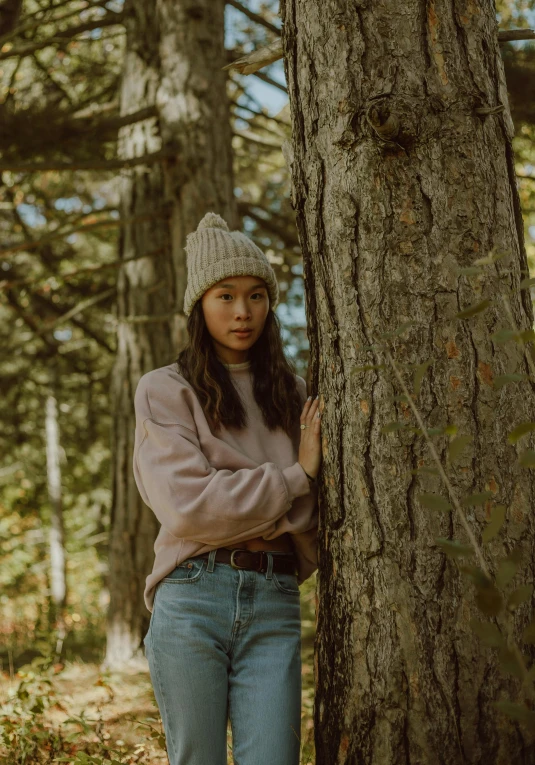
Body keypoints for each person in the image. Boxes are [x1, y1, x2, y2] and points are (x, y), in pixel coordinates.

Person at [132, 211, 322, 765]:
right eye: (226, 295)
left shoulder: (292, 393)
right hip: (193, 595)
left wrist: (256, 503)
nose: (243, 311)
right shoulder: (165, 391)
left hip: (275, 600)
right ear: (200, 304)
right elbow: (189, 508)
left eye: (257, 295)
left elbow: (312, 518)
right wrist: (293, 480)